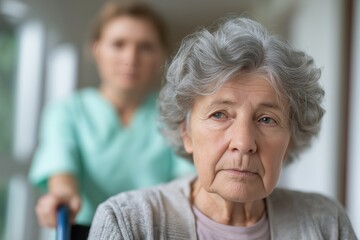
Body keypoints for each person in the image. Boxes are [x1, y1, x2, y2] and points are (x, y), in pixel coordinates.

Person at [88, 17, 357, 239]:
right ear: (186, 132)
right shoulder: (128, 222)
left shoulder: (325, 223)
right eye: (219, 114)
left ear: (290, 139)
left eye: (266, 119)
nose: (243, 142)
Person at [28, 1, 193, 236]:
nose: (131, 57)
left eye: (145, 47)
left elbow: (187, 181)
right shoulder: (67, 111)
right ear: (96, 50)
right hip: (83, 231)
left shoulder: (176, 115)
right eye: (118, 44)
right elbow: (61, 172)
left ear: (160, 57)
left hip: (151, 232)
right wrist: (63, 196)